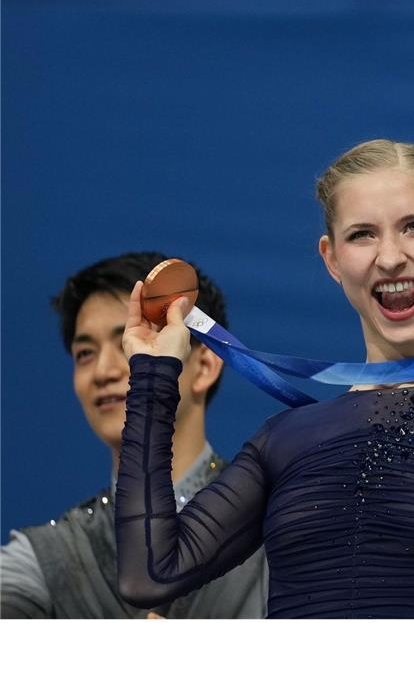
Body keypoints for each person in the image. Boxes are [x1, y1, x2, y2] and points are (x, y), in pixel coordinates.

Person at [114, 139, 414, 618]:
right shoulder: (285, 439)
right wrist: (153, 377)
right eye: (363, 235)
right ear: (332, 258)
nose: (389, 257)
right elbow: (151, 574)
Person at [1, 252, 267, 618]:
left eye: (134, 341)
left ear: (205, 366)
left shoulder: (278, 527)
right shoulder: (44, 560)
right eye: (85, 353)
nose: (104, 370)